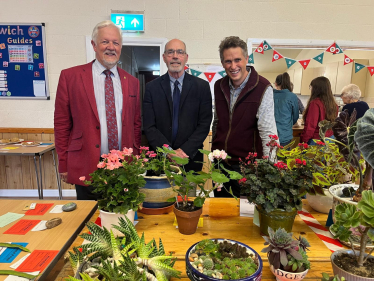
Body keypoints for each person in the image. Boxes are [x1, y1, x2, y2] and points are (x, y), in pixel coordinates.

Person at [54, 20, 141, 200]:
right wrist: (63, 163)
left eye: (116, 43)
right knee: (90, 220)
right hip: (86, 162)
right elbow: (62, 124)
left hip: (123, 166)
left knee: (121, 217)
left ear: (121, 47)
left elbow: (136, 123)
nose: (111, 47)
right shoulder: (70, 77)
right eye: (105, 42)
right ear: (94, 45)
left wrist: (136, 158)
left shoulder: (132, 82)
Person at [212, 36, 278, 198]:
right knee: (220, 214)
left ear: (247, 59)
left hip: (248, 169)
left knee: (245, 218)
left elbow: (268, 132)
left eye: (237, 60)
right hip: (221, 165)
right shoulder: (218, 85)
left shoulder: (262, 87)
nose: (233, 66)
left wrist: (270, 172)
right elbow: (217, 122)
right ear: (222, 63)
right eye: (228, 61)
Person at [143, 39, 212, 174]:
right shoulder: (152, 88)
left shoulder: (202, 87)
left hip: (190, 159)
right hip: (160, 161)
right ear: (164, 58)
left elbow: (204, 124)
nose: (175, 56)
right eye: (170, 52)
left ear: (186, 57)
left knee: (188, 196)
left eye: (180, 52)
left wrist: (184, 151)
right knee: (161, 195)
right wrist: (168, 152)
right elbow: (149, 126)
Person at [300, 76, 338, 145]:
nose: (310, 89)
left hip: (317, 141)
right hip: (330, 139)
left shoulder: (315, 103)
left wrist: (303, 141)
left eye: (311, 87)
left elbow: (311, 126)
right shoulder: (334, 104)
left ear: (316, 89)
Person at [273, 72, 299, 147]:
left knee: (269, 157)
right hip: (285, 134)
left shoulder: (270, 94)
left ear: (276, 84)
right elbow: (295, 116)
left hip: (270, 135)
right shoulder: (292, 96)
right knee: (284, 157)